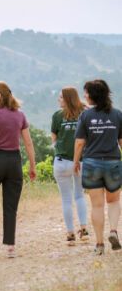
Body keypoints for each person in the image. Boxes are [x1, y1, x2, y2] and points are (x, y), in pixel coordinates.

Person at [0, 81, 36, 258]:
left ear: (0, 95)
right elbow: (28, 142)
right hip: (15, 161)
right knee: (11, 206)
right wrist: (32, 165)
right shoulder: (20, 115)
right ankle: (10, 247)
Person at [74, 79, 122, 255]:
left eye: (86, 92)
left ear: (92, 95)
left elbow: (80, 142)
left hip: (92, 162)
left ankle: (100, 244)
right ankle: (114, 231)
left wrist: (75, 162)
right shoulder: (117, 114)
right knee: (114, 200)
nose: (84, 96)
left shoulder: (85, 116)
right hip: (113, 163)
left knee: (97, 206)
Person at [51, 87, 89, 245]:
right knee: (79, 196)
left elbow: (54, 139)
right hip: (80, 162)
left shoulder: (57, 116)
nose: (58, 100)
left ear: (67, 98)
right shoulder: (85, 113)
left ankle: (70, 233)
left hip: (61, 162)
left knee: (66, 199)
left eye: (60, 97)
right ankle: (84, 229)